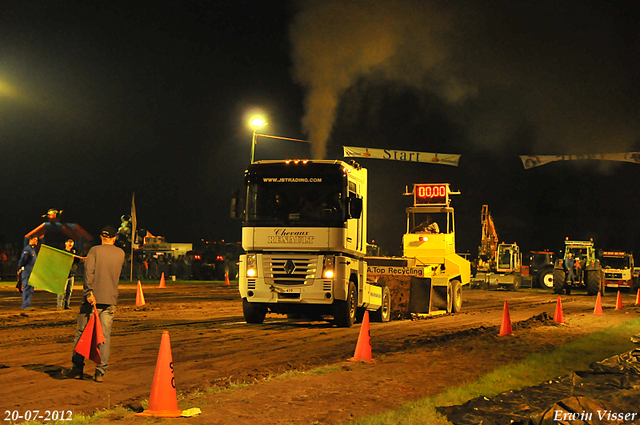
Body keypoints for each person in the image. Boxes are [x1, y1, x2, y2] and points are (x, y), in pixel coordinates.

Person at [66, 225, 125, 383]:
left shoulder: (94, 251)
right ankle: (100, 372)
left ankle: (77, 368)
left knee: (81, 333)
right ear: (114, 238)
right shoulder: (121, 253)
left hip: (92, 299)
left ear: (101, 237)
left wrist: (88, 292)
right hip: (110, 299)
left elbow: (89, 273)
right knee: (104, 337)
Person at [57, 239, 80, 309]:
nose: (70, 244)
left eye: (72, 243)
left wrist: (75, 255)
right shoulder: (63, 252)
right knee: (62, 290)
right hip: (64, 274)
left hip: (71, 274)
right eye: (69, 243)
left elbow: (77, 261)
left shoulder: (74, 252)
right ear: (66, 244)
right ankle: (59, 305)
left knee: (69, 291)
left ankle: (66, 305)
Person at [17, 236, 39, 310]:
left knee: (30, 289)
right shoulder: (27, 249)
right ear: (30, 240)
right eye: (35, 240)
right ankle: (25, 305)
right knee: (27, 288)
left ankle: (28, 304)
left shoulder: (32, 249)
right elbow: (23, 260)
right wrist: (20, 268)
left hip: (31, 272)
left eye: (37, 240)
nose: (36, 241)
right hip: (27, 271)